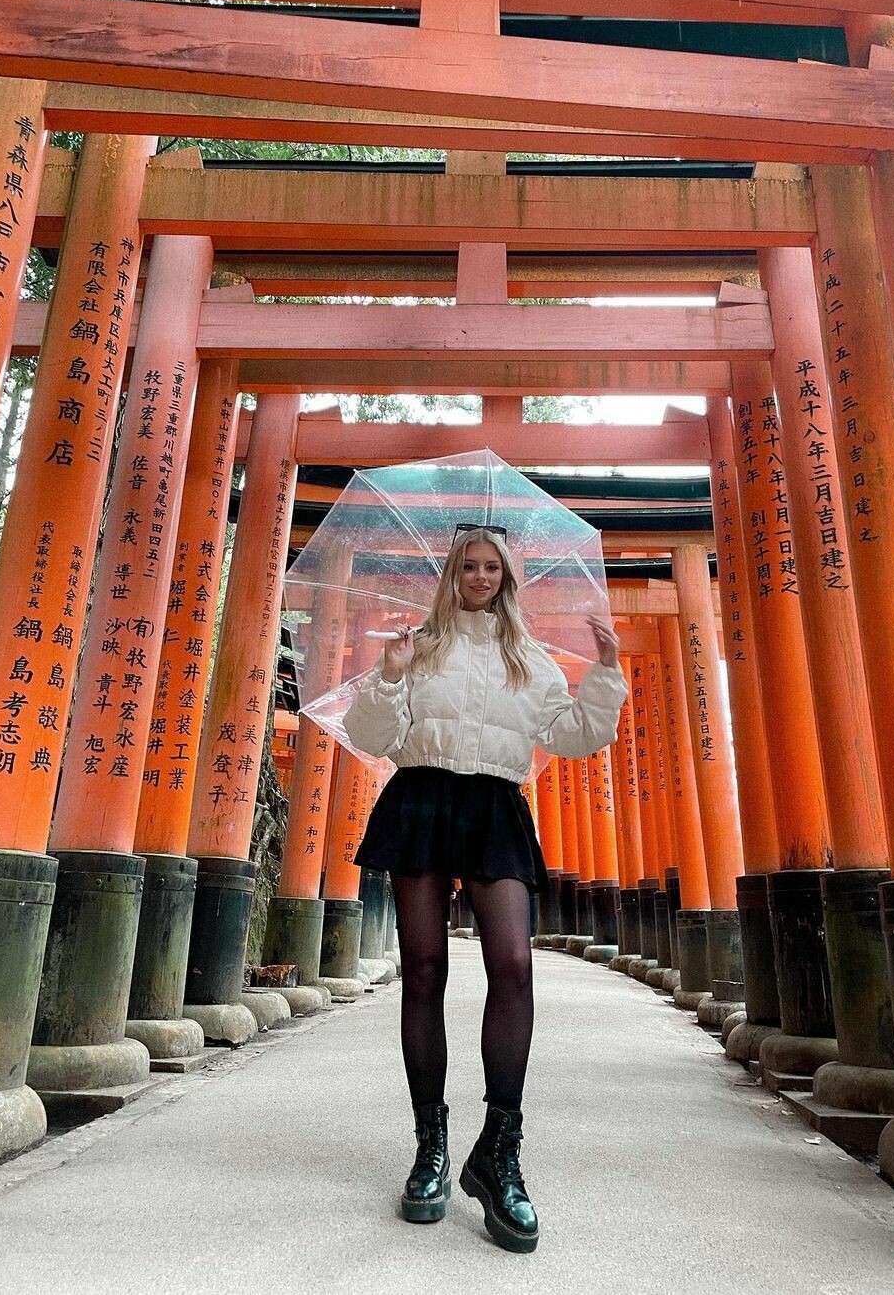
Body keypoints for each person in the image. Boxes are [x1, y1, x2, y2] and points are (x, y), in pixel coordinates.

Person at [343, 526, 626, 1254]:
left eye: (491, 567)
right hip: (422, 797)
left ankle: (499, 1152)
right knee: (423, 971)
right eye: (468, 566)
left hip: (495, 803)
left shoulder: (530, 658)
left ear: (506, 578)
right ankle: (430, 1147)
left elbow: (573, 735)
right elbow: (372, 737)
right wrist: (390, 677)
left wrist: (605, 672)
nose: (479, 576)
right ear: (452, 574)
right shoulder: (418, 647)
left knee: (514, 963)